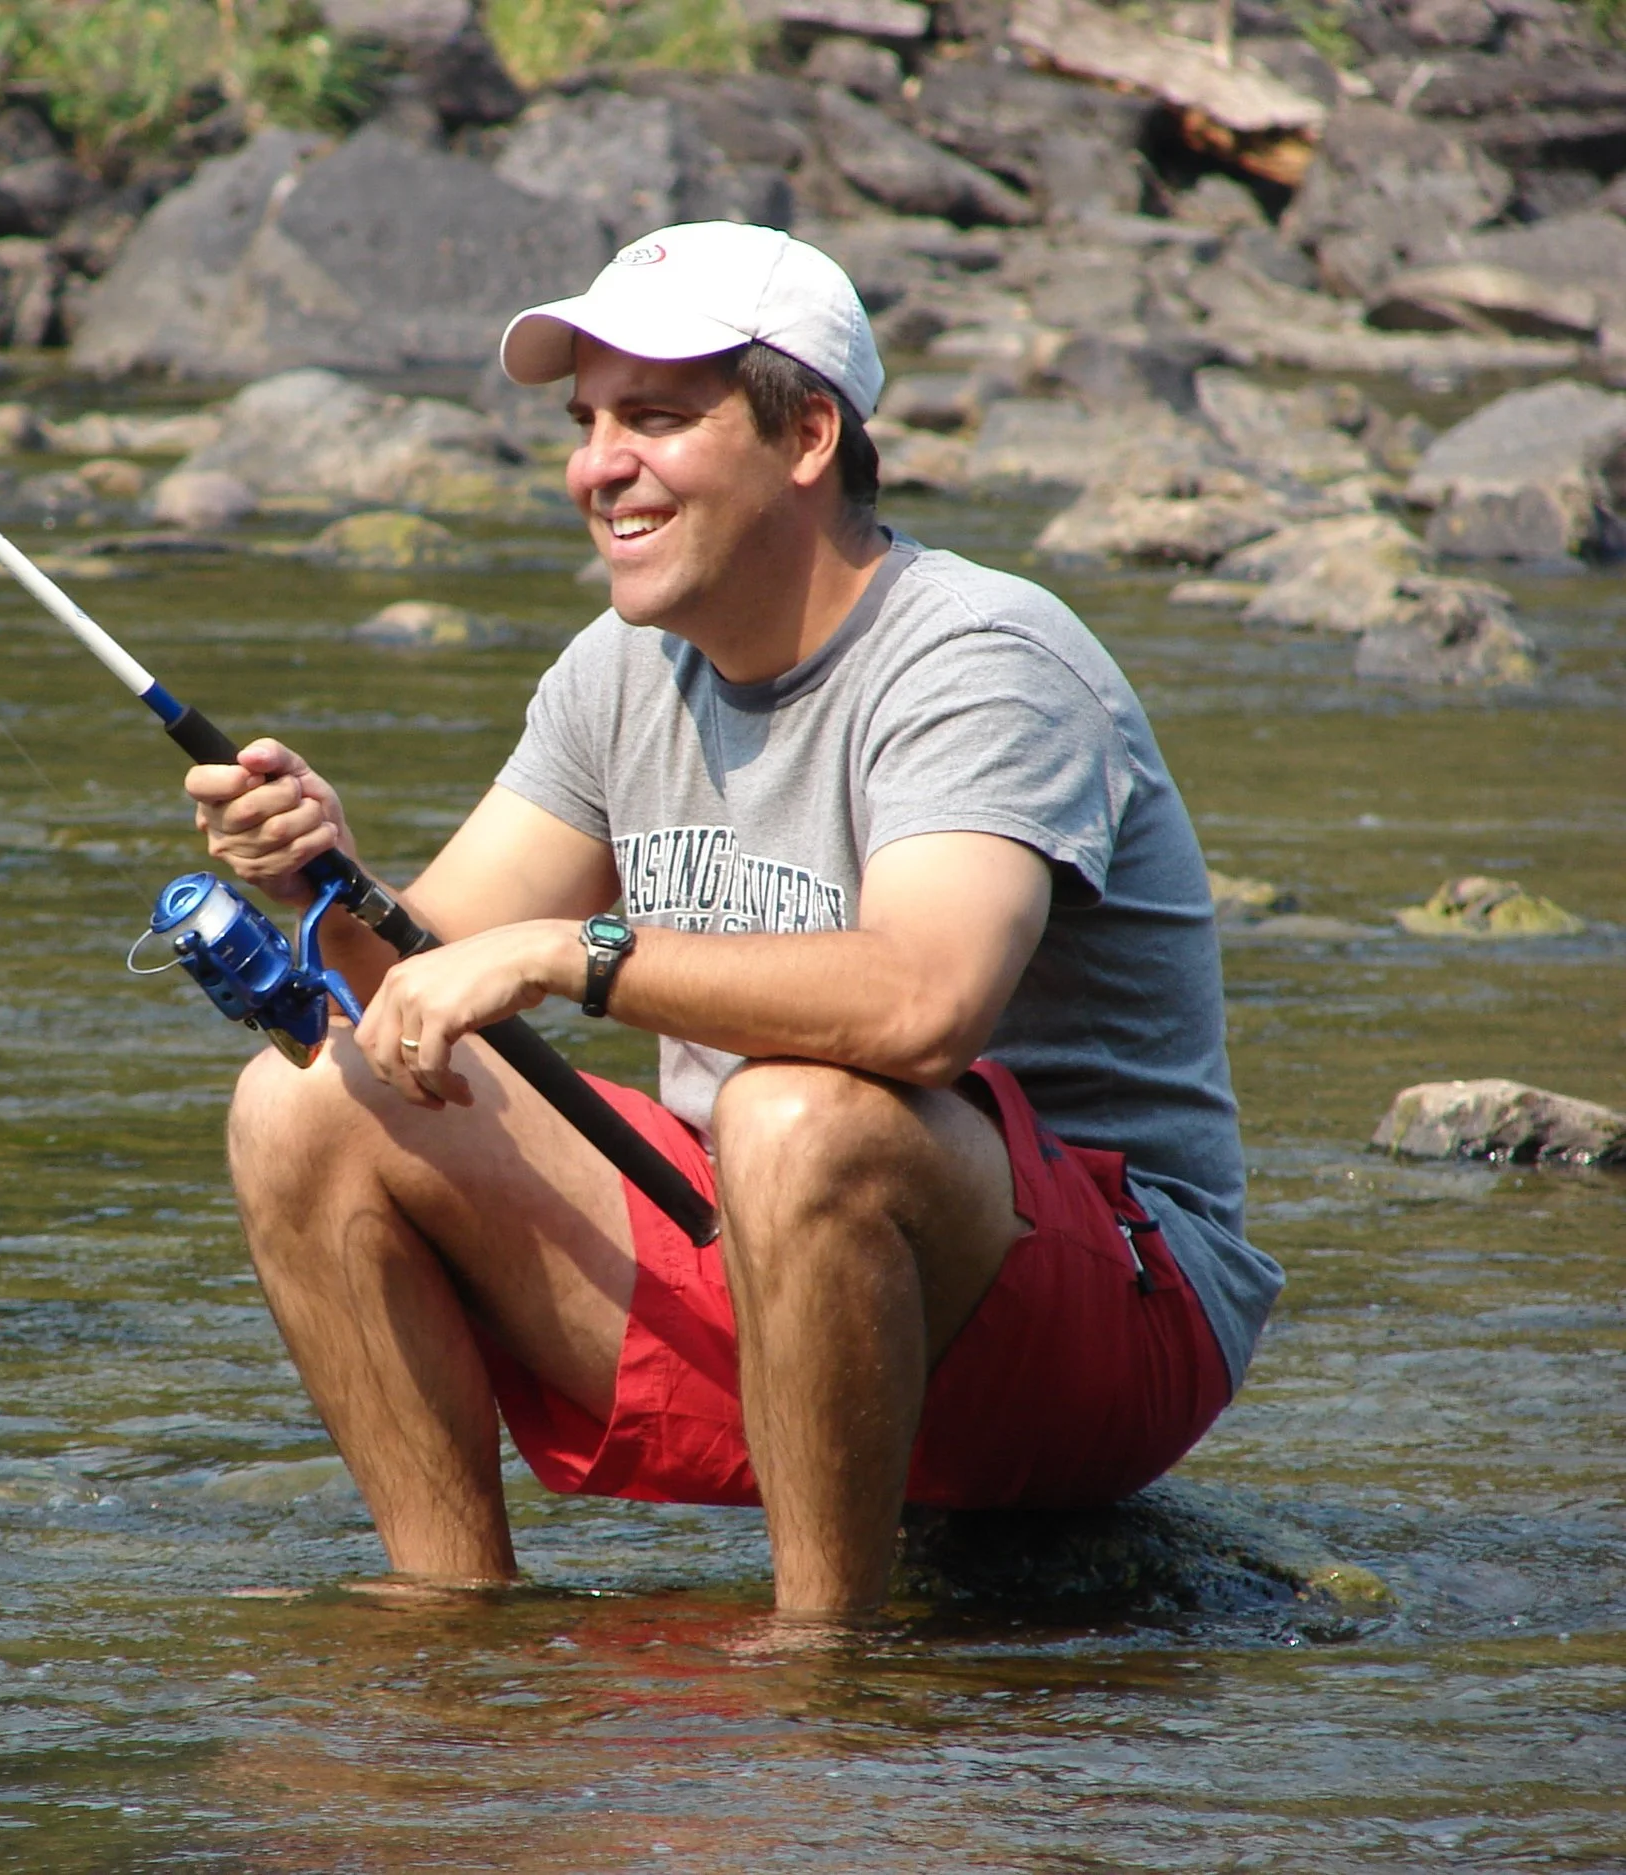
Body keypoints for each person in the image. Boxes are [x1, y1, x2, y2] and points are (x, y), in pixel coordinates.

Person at [184, 222, 1283, 1618]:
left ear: (809, 432)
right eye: (586, 425)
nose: (597, 466)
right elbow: (408, 984)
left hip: (1101, 1316)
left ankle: (822, 1676)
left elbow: (924, 1006)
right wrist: (322, 880)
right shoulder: (619, 669)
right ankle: (447, 1639)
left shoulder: (983, 655)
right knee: (311, 1103)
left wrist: (568, 954)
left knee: (796, 1112)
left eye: (653, 417)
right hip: (760, 1255)